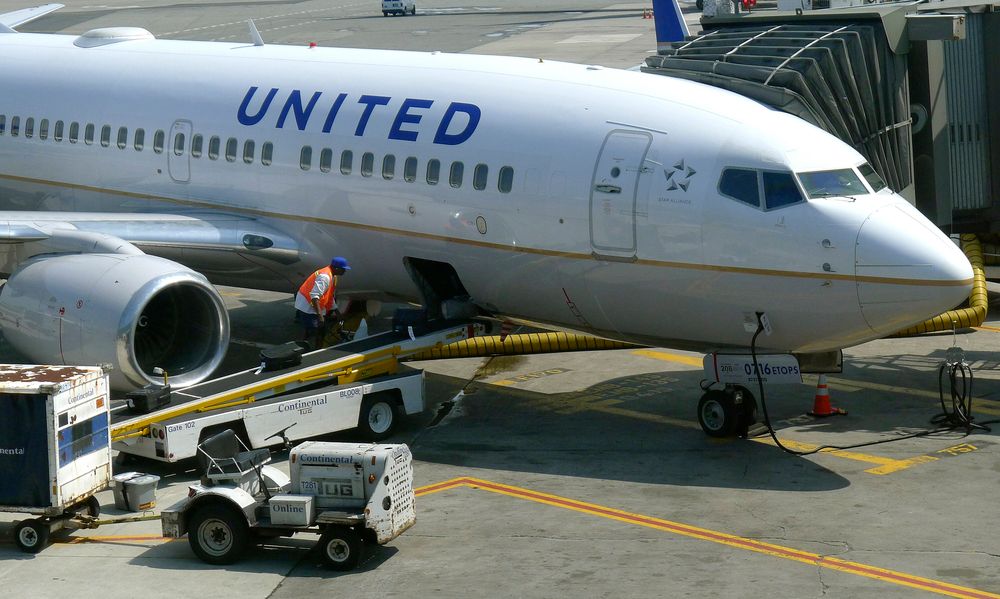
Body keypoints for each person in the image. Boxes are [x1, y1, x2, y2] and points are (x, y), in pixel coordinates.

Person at [295, 256, 350, 349]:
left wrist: (337, 312)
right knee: (318, 331)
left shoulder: (332, 276)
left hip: (312, 304)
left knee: (314, 330)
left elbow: (329, 295)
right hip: (307, 306)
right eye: (343, 269)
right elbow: (314, 297)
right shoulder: (325, 277)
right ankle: (314, 350)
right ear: (336, 268)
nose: (345, 271)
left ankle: (307, 347)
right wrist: (320, 316)